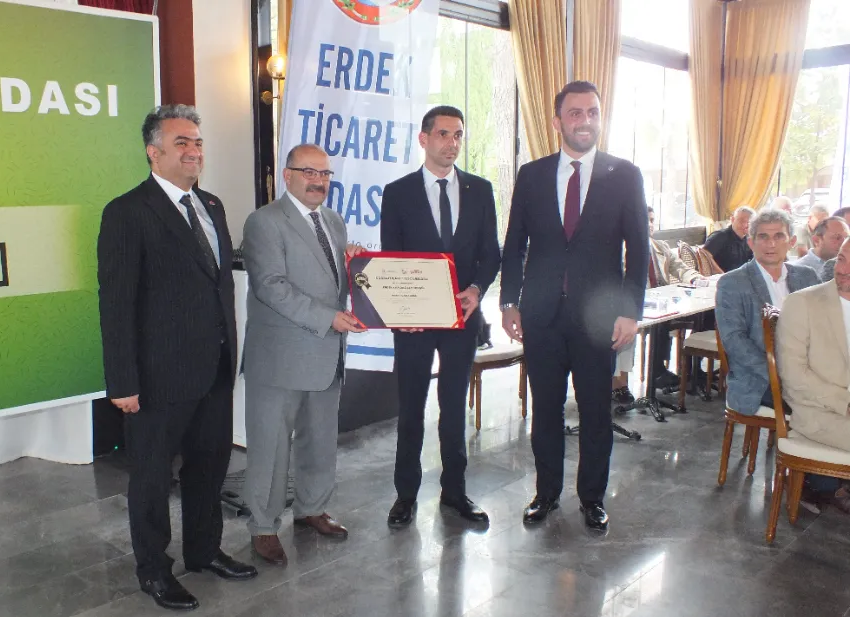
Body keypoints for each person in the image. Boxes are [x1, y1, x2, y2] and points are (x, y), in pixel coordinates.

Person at [97, 105, 256, 611]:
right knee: (151, 478)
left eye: (198, 142)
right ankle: (153, 570)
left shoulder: (211, 204)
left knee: (209, 468)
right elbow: (115, 303)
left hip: (214, 369)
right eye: (182, 142)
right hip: (157, 376)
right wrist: (122, 380)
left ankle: (204, 551)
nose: (194, 151)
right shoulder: (127, 212)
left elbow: (215, 284)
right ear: (154, 152)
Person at [500, 81, 649, 532]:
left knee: (595, 413)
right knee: (545, 410)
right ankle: (545, 494)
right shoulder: (532, 175)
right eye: (575, 113)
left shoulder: (625, 174)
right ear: (557, 121)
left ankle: (592, 499)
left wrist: (630, 311)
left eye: (593, 112)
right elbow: (514, 244)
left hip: (598, 319)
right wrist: (508, 301)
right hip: (541, 317)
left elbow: (638, 248)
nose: (585, 121)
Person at [241, 144, 364, 565]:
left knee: (320, 439)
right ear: (287, 174)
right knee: (271, 447)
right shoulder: (264, 221)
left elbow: (333, 282)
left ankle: (312, 508)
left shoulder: (334, 221)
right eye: (309, 172)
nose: (318, 181)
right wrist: (329, 318)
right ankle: (263, 526)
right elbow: (270, 286)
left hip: (326, 354)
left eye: (325, 174)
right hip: (280, 357)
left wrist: (356, 267)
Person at [381, 105, 501, 529]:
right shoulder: (398, 193)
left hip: (461, 319)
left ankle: (455, 492)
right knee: (411, 409)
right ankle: (405, 495)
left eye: (458, 135)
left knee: (453, 409)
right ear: (424, 139)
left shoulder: (480, 190)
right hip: (413, 322)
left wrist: (477, 290)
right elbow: (391, 259)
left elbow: (492, 254)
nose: (452, 143)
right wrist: (401, 310)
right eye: (444, 134)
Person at [715, 209, 819, 417]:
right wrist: (779, 374)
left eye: (779, 236)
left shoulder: (807, 277)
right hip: (760, 380)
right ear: (751, 242)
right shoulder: (732, 283)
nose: (771, 244)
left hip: (808, 373)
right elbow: (734, 341)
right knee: (824, 406)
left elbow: (822, 327)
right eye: (763, 236)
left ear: (791, 242)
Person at [777, 237, 850, 511]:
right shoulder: (803, 303)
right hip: (816, 413)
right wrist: (845, 402)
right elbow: (794, 377)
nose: (843, 270)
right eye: (841, 259)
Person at [612, 207, 703, 402]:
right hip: (634, 305)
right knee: (633, 328)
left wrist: (695, 278)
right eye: (646, 220)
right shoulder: (620, 248)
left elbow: (681, 268)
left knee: (693, 317)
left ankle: (680, 372)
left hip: (662, 302)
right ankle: (622, 383)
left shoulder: (661, 246)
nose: (650, 224)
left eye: (652, 220)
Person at [704, 206, 755, 272]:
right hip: (721, 277)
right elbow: (704, 256)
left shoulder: (749, 240)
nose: (746, 225)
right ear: (732, 219)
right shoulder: (719, 236)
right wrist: (722, 275)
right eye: (742, 221)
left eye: (750, 223)